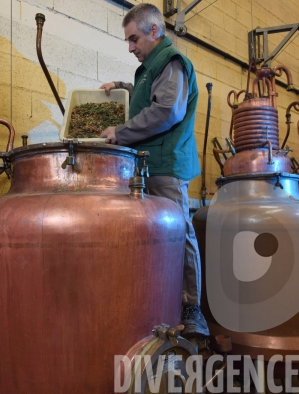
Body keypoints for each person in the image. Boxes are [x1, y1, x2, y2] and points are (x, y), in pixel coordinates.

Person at [99, 3, 209, 338]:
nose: (130, 47)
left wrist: (120, 132)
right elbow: (149, 99)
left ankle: (192, 310)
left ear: (154, 31)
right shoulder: (150, 68)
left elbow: (166, 111)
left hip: (167, 164)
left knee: (180, 233)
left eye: (134, 39)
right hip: (148, 165)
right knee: (155, 235)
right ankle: (156, 298)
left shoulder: (171, 62)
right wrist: (123, 86)